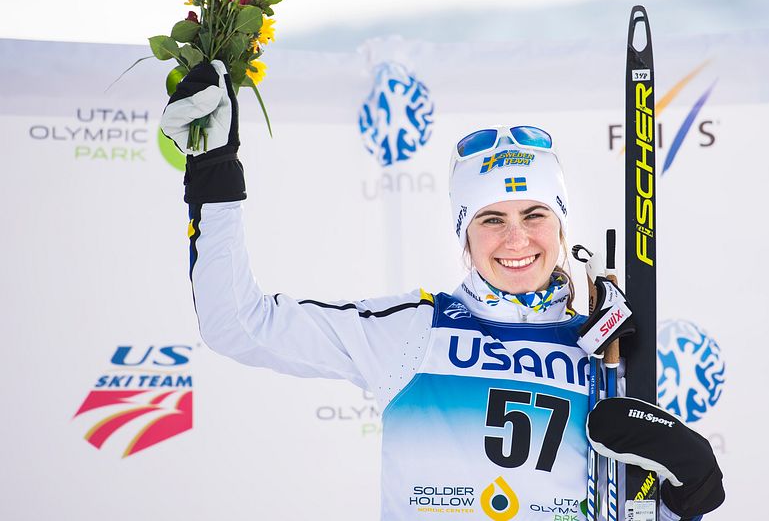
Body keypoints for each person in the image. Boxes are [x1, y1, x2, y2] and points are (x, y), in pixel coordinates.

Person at [162, 61, 724, 521]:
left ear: (561, 226)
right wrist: (214, 177)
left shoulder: (605, 353)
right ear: (463, 234)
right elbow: (237, 324)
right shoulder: (413, 332)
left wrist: (686, 492)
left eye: (534, 214)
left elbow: (634, 510)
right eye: (490, 219)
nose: (516, 238)